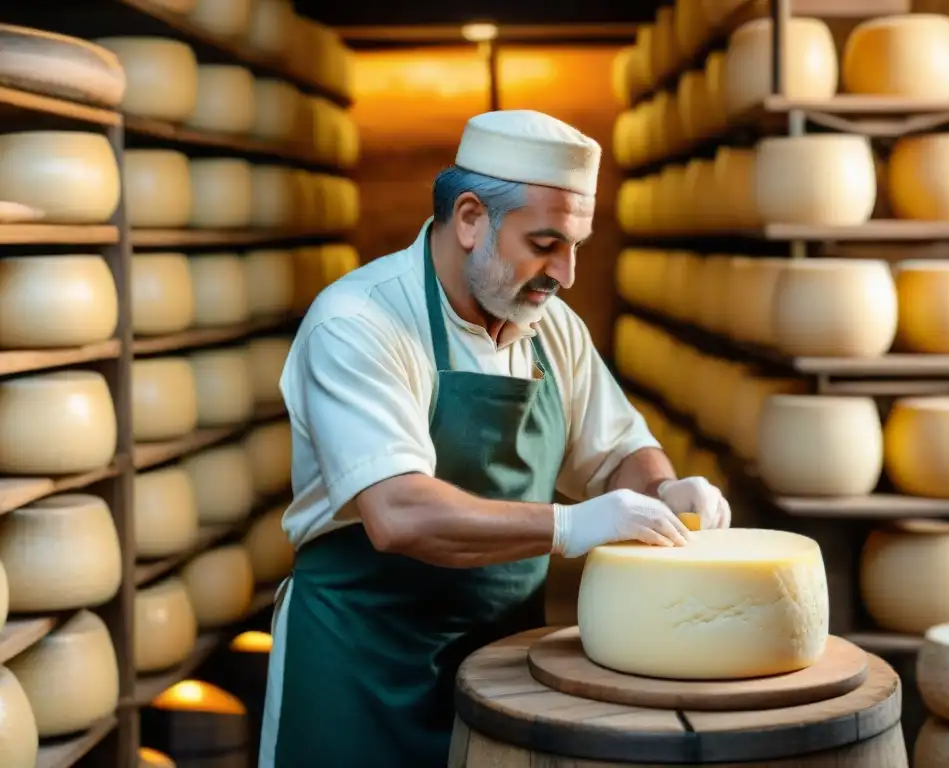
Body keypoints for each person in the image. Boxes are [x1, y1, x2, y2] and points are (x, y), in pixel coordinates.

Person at [259, 109, 731, 767]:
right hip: (361, 667)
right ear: (471, 218)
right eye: (544, 244)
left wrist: (667, 489)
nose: (565, 273)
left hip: (501, 664)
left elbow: (619, 451)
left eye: (576, 247)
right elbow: (398, 514)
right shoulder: (360, 323)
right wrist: (569, 526)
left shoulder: (551, 329)